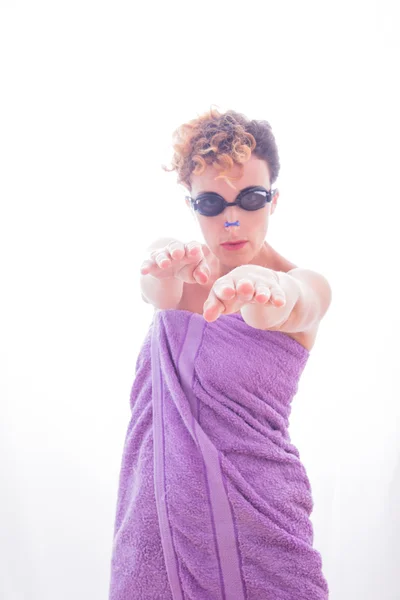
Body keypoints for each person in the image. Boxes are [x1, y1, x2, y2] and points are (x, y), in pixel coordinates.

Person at [108, 107, 332, 599]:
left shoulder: (304, 283)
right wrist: (163, 264)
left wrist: (264, 289)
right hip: (157, 529)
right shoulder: (178, 266)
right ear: (192, 206)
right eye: (211, 203)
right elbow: (156, 290)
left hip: (264, 523)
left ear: (274, 200)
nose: (232, 219)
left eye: (250, 198)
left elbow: (288, 307)